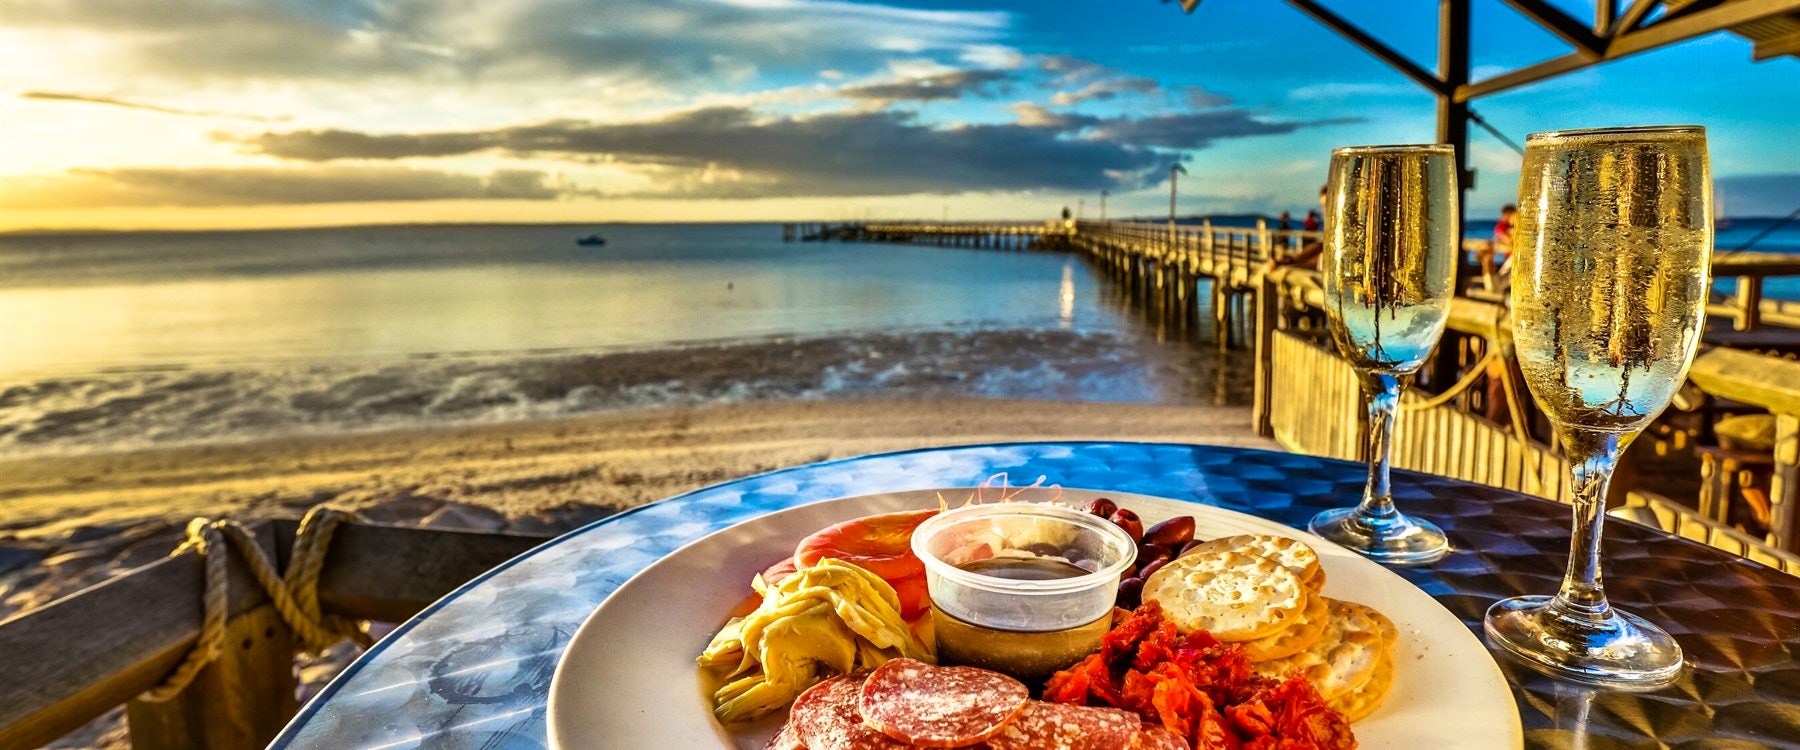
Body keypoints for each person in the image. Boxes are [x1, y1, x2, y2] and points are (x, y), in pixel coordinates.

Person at [1480, 204, 1516, 292]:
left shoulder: (1509, 228)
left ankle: (1487, 262)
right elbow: (1501, 235)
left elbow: (1501, 236)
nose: (1511, 220)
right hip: (1512, 257)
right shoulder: (1504, 227)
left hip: (1512, 257)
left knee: (1498, 283)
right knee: (1498, 282)